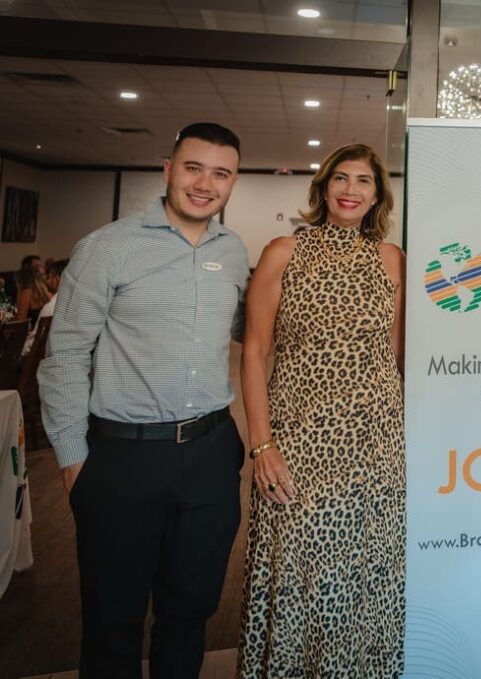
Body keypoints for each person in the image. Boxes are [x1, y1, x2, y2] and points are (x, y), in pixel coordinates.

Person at [38, 122, 249, 678]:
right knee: (113, 619)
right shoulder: (107, 248)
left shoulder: (233, 252)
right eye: (193, 168)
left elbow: (246, 331)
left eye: (220, 173)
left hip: (210, 452)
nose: (205, 184)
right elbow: (64, 357)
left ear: (232, 182)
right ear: (168, 170)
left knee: (191, 609)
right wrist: (72, 461)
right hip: (122, 458)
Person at [237, 143, 406, 677]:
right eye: (341, 178)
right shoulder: (284, 251)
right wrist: (262, 446)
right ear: (323, 188)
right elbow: (254, 352)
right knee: (305, 571)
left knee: (369, 572)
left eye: (363, 181)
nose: (351, 190)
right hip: (302, 445)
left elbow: (396, 357)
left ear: (377, 196)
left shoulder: (391, 258)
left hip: (378, 445)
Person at [21, 258, 68, 357]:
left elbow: (30, 346)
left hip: (44, 361)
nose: (47, 279)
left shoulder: (52, 306)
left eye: (49, 276)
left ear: (57, 279)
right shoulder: (84, 304)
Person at [14, 254, 51, 324]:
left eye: (40, 266)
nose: (41, 269)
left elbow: (20, 321)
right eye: (37, 266)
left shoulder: (26, 292)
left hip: (32, 329)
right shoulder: (45, 290)